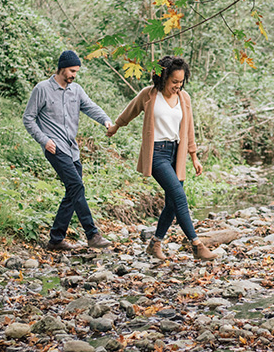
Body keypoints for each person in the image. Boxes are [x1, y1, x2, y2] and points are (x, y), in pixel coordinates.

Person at [107, 57, 216, 261]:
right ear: (163, 77)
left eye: (181, 82)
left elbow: (189, 128)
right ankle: (196, 244)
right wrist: (115, 127)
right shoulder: (149, 95)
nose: (178, 86)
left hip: (178, 153)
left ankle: (155, 244)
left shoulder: (184, 98)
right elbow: (130, 111)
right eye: (174, 81)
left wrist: (194, 156)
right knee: (180, 196)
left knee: (172, 203)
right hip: (157, 153)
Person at [23, 50, 112, 251]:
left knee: (72, 191)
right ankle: (92, 234)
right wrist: (44, 140)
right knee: (77, 187)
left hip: (72, 149)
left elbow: (91, 107)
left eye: (76, 72)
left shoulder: (76, 90)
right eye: (72, 71)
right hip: (55, 148)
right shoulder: (42, 89)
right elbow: (28, 118)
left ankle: (56, 239)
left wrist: (106, 120)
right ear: (62, 68)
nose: (74, 75)